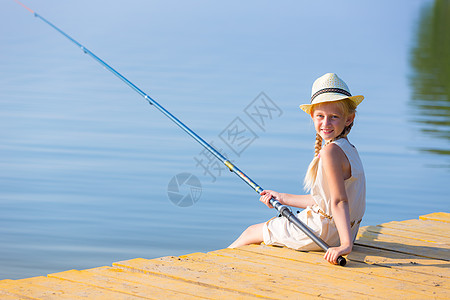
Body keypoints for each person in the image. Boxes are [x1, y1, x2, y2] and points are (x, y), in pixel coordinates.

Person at [228, 73, 366, 265]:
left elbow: (339, 201)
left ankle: (215, 266)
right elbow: (325, 201)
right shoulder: (350, 149)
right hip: (342, 231)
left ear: (348, 119)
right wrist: (282, 198)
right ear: (312, 117)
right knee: (262, 231)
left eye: (334, 117)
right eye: (320, 116)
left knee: (251, 232)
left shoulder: (330, 152)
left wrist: (345, 246)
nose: (326, 123)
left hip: (323, 233)